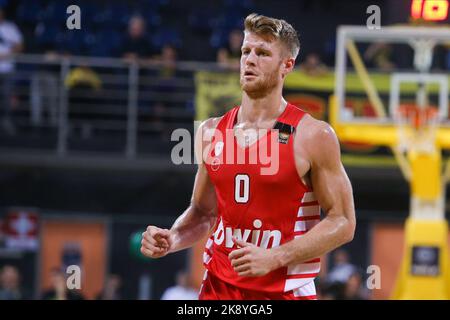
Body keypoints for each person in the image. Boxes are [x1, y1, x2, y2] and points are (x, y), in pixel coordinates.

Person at [141, 13, 355, 300]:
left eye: (263, 53)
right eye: (246, 51)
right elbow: (203, 213)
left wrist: (276, 256)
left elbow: (343, 222)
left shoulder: (314, 135)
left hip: (284, 292)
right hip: (217, 289)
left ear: (286, 65)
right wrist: (173, 237)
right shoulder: (210, 131)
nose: (250, 60)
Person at [0, 8, 23, 135]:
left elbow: (20, 46)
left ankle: (7, 122)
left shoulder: (10, 27)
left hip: (8, 69)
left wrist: (6, 55)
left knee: (8, 98)